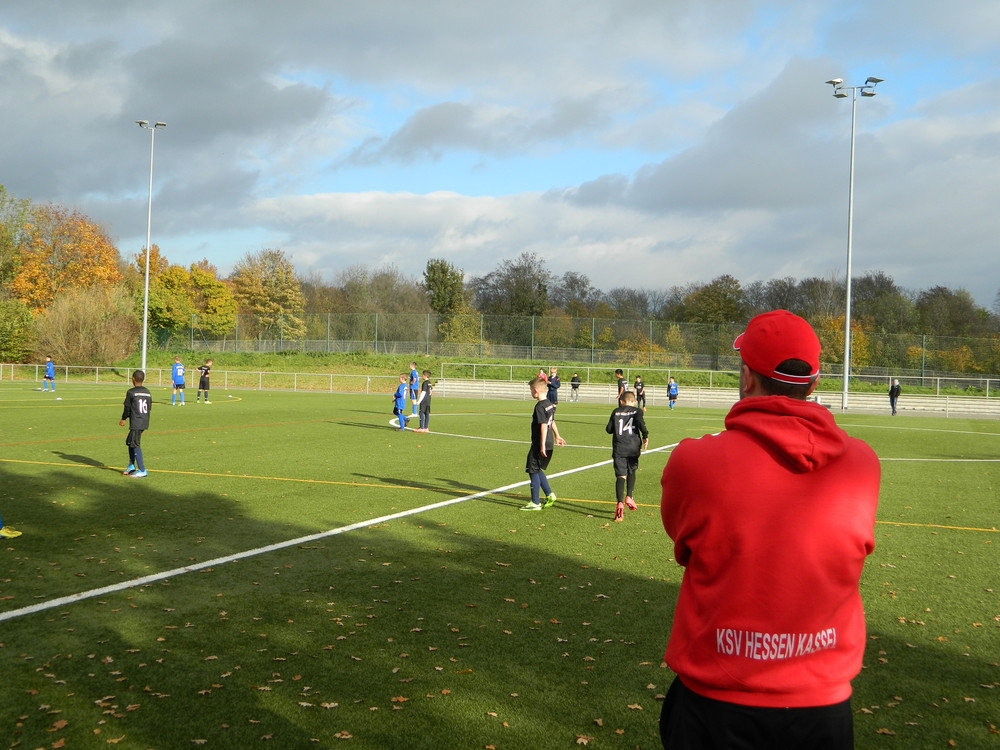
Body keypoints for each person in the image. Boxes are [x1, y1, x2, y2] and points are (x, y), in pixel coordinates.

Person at [658, 310, 881, 749]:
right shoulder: (863, 465)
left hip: (714, 706)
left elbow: (681, 540)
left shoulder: (695, 463)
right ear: (814, 383)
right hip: (822, 709)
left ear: (746, 377)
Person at [520, 376, 565, 511]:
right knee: (537, 469)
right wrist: (557, 435)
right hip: (549, 442)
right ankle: (549, 494)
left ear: (535, 390)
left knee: (532, 469)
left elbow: (544, 425)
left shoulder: (540, 406)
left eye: (530, 390)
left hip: (541, 443)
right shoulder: (549, 404)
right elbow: (552, 421)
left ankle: (535, 502)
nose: (530, 393)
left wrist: (542, 445)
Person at [606, 391, 649, 522]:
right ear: (634, 401)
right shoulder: (637, 411)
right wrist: (645, 436)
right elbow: (641, 425)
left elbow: (609, 430)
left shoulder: (616, 411)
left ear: (621, 401)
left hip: (619, 448)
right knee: (632, 470)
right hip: (633, 447)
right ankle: (629, 496)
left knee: (621, 475)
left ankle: (619, 503)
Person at [120, 370, 153, 478]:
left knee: (135, 443)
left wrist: (123, 418)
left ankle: (142, 470)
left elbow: (127, 408)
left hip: (136, 421)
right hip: (144, 420)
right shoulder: (147, 392)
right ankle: (131, 466)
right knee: (130, 441)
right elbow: (149, 407)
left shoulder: (131, 392)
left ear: (133, 379)